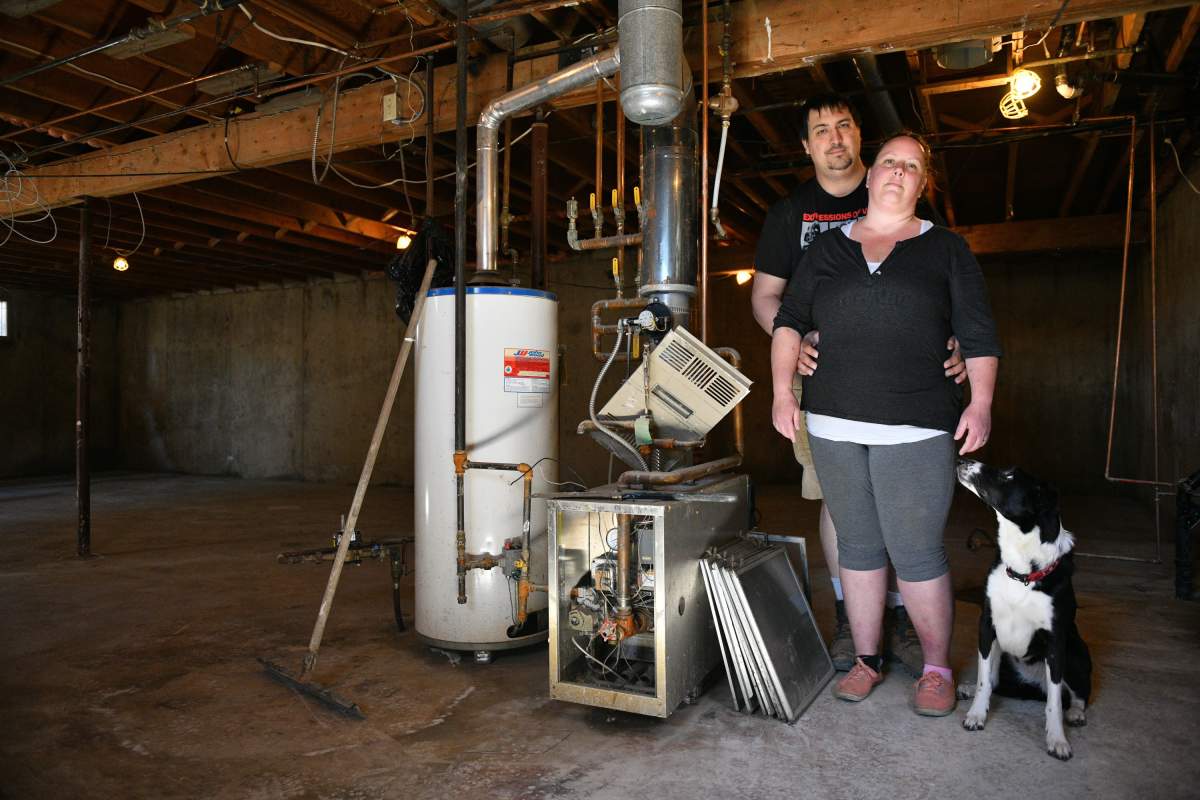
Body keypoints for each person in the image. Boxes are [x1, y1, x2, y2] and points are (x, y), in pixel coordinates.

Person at [771, 132, 1001, 716]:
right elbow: (790, 320)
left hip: (917, 424)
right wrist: (780, 391)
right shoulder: (827, 251)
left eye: (912, 166)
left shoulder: (946, 248)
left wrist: (980, 402)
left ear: (922, 185)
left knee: (917, 550)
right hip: (831, 422)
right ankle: (867, 659)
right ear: (871, 175)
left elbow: (977, 333)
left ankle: (936, 668)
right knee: (858, 545)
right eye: (890, 162)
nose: (898, 172)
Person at [752, 94, 964, 676]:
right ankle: (854, 618)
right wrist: (799, 340)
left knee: (906, 518)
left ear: (863, 146)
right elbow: (766, 296)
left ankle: (901, 618)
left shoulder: (916, 215)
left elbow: (945, 297)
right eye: (821, 130)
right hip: (823, 381)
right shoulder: (791, 213)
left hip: (905, 390)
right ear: (807, 145)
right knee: (838, 504)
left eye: (844, 125)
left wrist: (958, 347)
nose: (834, 137)